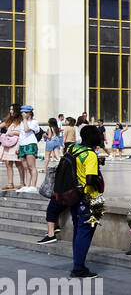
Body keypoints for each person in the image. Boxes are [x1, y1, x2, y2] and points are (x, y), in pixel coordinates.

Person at [39, 125, 105, 277]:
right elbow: (89, 179)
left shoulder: (73, 148)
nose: (99, 137)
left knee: (78, 230)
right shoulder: (90, 155)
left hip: (74, 195)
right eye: (97, 135)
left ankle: (78, 263)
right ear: (91, 137)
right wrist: (97, 180)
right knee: (85, 232)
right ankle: (78, 268)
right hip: (87, 198)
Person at [17, 105, 41, 190]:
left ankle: (33, 186)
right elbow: (21, 134)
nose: (23, 114)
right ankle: (27, 185)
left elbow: (27, 129)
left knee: (31, 166)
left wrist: (24, 119)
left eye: (25, 112)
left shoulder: (34, 122)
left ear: (29, 113)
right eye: (22, 112)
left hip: (30, 144)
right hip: (22, 144)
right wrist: (18, 146)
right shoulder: (22, 122)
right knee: (25, 167)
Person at [0, 108, 20, 190]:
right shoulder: (9, 120)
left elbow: (25, 132)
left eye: (12, 109)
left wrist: (15, 133)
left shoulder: (22, 121)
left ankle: (22, 183)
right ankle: (10, 183)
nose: (10, 111)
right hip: (8, 143)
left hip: (17, 143)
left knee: (19, 164)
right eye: (10, 109)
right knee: (8, 163)